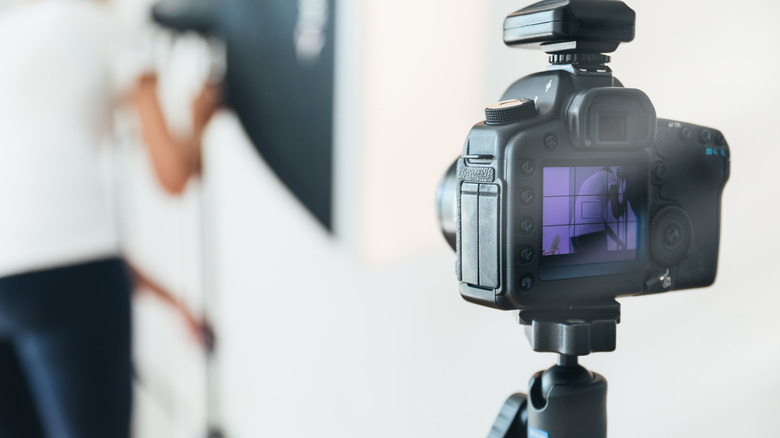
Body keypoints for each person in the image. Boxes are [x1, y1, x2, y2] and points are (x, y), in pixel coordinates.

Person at [0, 0, 219, 437]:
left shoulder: (10, 34)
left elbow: (34, 234)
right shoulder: (108, 31)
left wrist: (172, 300)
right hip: (74, 274)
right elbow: (172, 174)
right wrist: (199, 118)